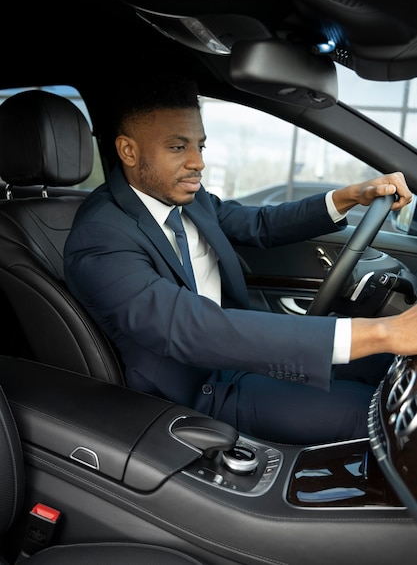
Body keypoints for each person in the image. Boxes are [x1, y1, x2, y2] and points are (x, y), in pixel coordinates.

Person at [64, 73, 417, 445]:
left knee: (385, 368)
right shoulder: (100, 236)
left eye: (200, 145)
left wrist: (349, 196)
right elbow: (192, 328)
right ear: (129, 151)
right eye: (177, 147)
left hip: (236, 357)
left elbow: (261, 225)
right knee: (378, 418)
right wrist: (383, 331)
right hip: (197, 388)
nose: (198, 162)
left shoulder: (189, 197)